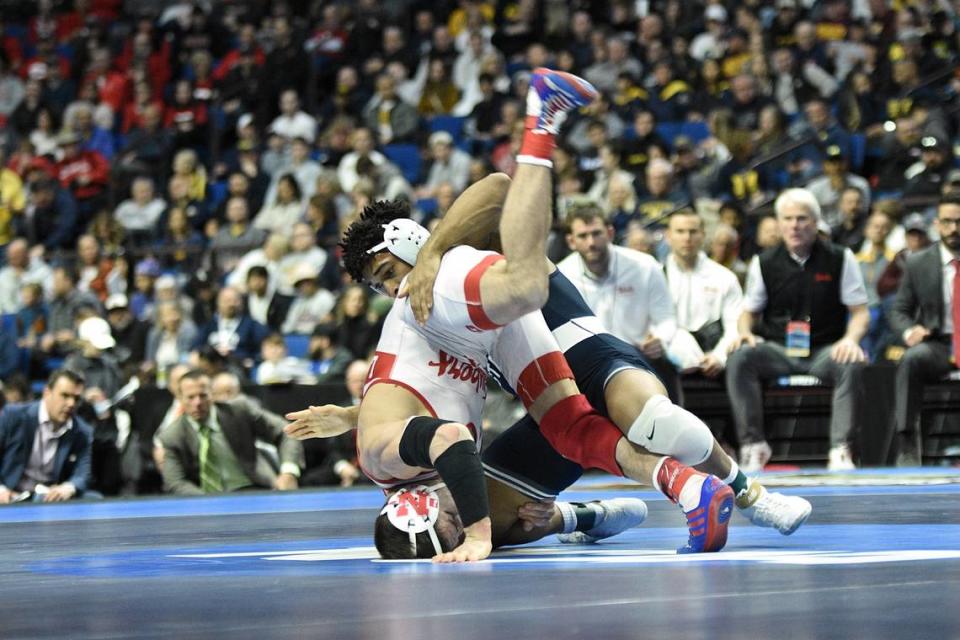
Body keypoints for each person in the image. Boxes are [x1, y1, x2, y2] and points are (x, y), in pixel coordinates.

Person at [327, 69, 729, 562]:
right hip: (484, 341)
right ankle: (686, 487)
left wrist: (476, 533)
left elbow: (444, 436)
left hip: (450, 309)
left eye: (388, 272)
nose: (390, 288)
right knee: (571, 427)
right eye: (379, 284)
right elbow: (413, 407)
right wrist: (352, 415)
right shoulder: (408, 468)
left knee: (527, 286)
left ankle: (543, 117)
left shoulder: (425, 288)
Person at [726, 188, 869, 472]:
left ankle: (840, 448)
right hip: (778, 350)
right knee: (740, 357)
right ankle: (753, 445)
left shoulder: (841, 258)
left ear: (816, 223)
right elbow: (747, 313)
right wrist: (744, 332)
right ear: (779, 224)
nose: (794, 225)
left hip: (824, 350)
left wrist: (851, 340)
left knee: (851, 361)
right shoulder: (763, 262)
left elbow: (860, 312)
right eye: (787, 218)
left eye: (802, 218)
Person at [556, 205, 683, 402]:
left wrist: (660, 339)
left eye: (596, 233)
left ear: (610, 233)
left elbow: (666, 317)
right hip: (588, 366)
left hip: (640, 358)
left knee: (665, 362)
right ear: (571, 241)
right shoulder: (562, 276)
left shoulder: (644, 265)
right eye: (583, 236)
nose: (591, 243)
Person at [888, 195, 960, 466]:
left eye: (959, 222)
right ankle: (907, 445)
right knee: (911, 359)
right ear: (937, 224)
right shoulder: (919, 263)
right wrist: (909, 331)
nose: (954, 228)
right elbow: (898, 311)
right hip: (939, 344)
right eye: (948, 222)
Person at [157, 369, 304, 496]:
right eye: (190, 397)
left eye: (203, 395)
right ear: (180, 398)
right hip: (206, 501)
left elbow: (287, 431)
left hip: (258, 491)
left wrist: (288, 472)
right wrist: (207, 502)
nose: (197, 403)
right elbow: (175, 483)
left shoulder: (240, 410)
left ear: (212, 394)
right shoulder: (171, 436)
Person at [664, 210, 744, 377]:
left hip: (715, 355)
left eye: (693, 232)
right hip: (666, 358)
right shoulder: (655, 277)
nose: (687, 238)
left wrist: (719, 356)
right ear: (668, 236)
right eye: (680, 231)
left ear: (703, 235)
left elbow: (734, 327)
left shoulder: (725, 278)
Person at [0, 369, 94, 503]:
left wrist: (68, 487)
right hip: (10, 495)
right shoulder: (14, 416)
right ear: (47, 392)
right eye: (65, 395)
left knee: (94, 499)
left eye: (76, 398)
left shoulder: (82, 431)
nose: (71, 403)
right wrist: (1, 489)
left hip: (50, 500)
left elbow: (83, 474)